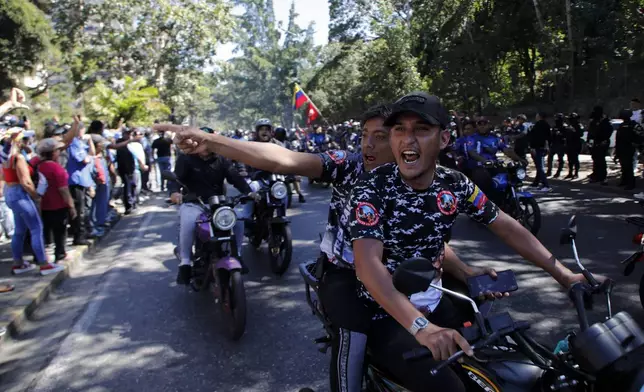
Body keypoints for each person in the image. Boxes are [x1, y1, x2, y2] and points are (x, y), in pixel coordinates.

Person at [160, 104, 500, 392]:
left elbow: (429, 243)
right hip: (347, 276)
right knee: (353, 336)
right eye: (364, 135)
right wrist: (211, 141)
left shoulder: (421, 177)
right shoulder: (347, 165)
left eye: (380, 136)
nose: (368, 144)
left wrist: (468, 271)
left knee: (472, 319)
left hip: (405, 277)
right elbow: (284, 159)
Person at [346, 92, 595, 392]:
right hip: (386, 315)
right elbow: (367, 264)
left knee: (516, 369)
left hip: (437, 300)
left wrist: (565, 276)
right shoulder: (372, 187)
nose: (407, 140)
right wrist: (422, 328)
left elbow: (506, 226)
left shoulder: (455, 184)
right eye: (399, 130)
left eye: (421, 130)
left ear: (444, 139)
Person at [170, 128, 256, 283]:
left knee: (238, 219)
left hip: (218, 204)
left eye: (206, 142)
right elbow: (175, 179)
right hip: (194, 203)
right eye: (199, 142)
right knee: (188, 224)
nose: (202, 146)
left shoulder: (221, 159)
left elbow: (234, 177)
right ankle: (185, 263)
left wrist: (249, 192)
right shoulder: (185, 159)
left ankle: (237, 254)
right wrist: (175, 193)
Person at [3, 131, 64, 276]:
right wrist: (35, 195)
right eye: (24, 139)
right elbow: (26, 181)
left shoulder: (6, 158)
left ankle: (18, 263)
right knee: (36, 228)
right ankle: (44, 264)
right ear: (17, 141)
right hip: (20, 194)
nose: (27, 141)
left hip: (9, 191)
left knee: (19, 230)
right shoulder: (18, 158)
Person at [30, 138, 76, 262]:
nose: (59, 152)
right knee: (59, 232)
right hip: (57, 205)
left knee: (41, 232)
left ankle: (39, 256)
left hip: (39, 204)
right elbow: (63, 190)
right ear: (53, 152)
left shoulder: (35, 164)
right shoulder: (56, 168)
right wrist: (71, 206)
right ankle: (60, 253)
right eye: (57, 150)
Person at [465, 118, 522, 203]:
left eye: (485, 124)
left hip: (494, 165)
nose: (482, 126)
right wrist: (484, 161)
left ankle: (507, 199)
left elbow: (506, 150)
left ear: (489, 125)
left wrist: (520, 159)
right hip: (479, 167)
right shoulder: (472, 138)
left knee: (510, 177)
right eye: (480, 124)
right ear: (477, 126)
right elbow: (472, 152)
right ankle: (485, 206)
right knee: (484, 182)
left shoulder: (495, 138)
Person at [66, 122, 95, 245]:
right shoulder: (73, 144)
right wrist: (88, 158)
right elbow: (84, 159)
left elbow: (92, 153)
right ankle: (78, 236)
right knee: (79, 210)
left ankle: (82, 233)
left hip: (82, 180)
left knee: (83, 209)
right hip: (76, 180)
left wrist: (89, 141)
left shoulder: (80, 143)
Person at [274, 126, 305, 203]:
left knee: (295, 178)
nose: (280, 135)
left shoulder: (288, 144)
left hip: (287, 164)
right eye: (278, 134)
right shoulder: (273, 143)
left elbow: (293, 153)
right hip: (276, 165)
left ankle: (300, 194)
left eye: (281, 134)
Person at [614, 109, 643, 190]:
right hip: (621, 147)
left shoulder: (634, 125)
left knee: (629, 166)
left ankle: (631, 183)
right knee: (623, 165)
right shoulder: (621, 125)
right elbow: (618, 138)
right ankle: (624, 180)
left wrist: (636, 143)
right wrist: (616, 149)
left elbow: (640, 134)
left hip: (629, 148)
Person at [587, 106, 613, 185]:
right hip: (594, 142)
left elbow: (609, 131)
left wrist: (604, 140)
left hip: (602, 142)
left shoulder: (605, 121)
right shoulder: (594, 120)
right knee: (595, 159)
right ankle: (596, 175)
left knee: (601, 160)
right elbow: (590, 132)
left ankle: (603, 177)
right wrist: (589, 142)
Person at [529, 112, 552, 191]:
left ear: (539, 116)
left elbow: (534, 137)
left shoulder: (537, 126)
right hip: (543, 147)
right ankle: (536, 182)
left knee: (540, 166)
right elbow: (549, 138)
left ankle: (546, 185)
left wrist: (532, 147)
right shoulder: (547, 125)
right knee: (539, 165)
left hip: (537, 147)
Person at [547, 113, 568, 178]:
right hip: (554, 144)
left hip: (560, 144)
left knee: (560, 159)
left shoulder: (564, 126)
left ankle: (558, 171)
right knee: (550, 157)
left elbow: (566, 136)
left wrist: (560, 134)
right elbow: (551, 135)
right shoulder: (555, 126)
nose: (556, 120)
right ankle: (549, 171)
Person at [565, 113, 584, 179]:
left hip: (576, 144)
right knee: (569, 159)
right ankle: (570, 172)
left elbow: (581, 134)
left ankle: (576, 173)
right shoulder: (569, 126)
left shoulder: (579, 125)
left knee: (575, 159)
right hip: (569, 144)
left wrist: (574, 131)